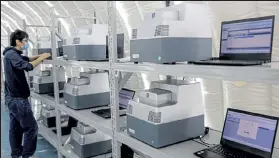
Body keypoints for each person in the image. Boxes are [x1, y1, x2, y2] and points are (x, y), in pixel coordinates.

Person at [3, 29, 51, 158]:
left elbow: (26, 59)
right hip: (18, 99)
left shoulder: (11, 53)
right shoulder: (12, 55)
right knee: (31, 128)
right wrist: (41, 58)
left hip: (12, 98)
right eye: (25, 41)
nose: (26, 43)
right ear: (17, 41)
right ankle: (27, 155)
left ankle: (16, 154)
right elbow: (28, 66)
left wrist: (39, 56)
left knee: (15, 130)